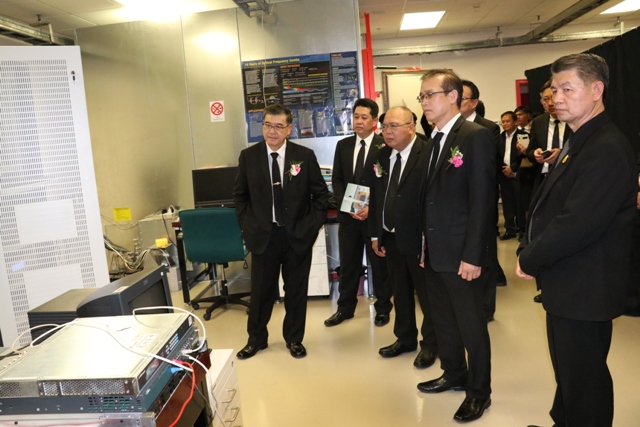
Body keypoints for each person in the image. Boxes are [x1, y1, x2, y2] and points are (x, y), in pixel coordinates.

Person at [517, 53, 637, 427]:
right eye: (554, 90)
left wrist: (529, 258)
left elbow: (577, 223)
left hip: (585, 284)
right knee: (570, 371)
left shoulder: (606, 146)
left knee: (585, 379)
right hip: (569, 280)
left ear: (596, 90)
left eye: (567, 89)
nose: (557, 98)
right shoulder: (581, 138)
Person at [417, 69, 495, 422]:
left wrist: (473, 255)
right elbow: (430, 200)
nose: (424, 102)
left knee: (470, 326)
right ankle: (454, 373)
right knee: (443, 320)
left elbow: (482, 201)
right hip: (435, 251)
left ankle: (479, 391)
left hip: (462, 252)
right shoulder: (433, 139)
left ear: (453, 96)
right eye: (422, 96)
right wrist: (423, 247)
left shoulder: (474, 136)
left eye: (430, 94)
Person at [233, 104, 329, 360]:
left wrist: (311, 226)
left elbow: (321, 196)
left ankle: (294, 339)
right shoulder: (249, 156)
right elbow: (240, 197)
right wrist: (248, 225)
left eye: (278, 126)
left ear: (289, 129)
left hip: (297, 235)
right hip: (263, 236)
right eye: (267, 125)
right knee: (261, 292)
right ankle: (256, 340)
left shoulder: (304, 156)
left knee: (296, 291)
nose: (272, 131)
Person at [369, 106, 438, 368]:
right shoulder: (381, 156)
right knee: (400, 292)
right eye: (385, 126)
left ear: (411, 127)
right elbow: (376, 197)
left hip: (420, 239)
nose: (388, 132)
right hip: (390, 237)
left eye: (394, 126)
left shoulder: (427, 153)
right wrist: (375, 234)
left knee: (427, 295)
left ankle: (431, 344)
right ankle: (405, 337)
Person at [324, 98, 392, 327]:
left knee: (379, 265)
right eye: (355, 117)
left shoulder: (384, 145)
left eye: (364, 117)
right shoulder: (343, 145)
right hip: (349, 218)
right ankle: (345, 308)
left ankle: (383, 308)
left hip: (374, 218)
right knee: (348, 265)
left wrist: (371, 208)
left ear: (374, 121)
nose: (359, 121)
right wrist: (349, 206)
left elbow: (387, 183)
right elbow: (337, 180)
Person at [460, 79, 506, 323]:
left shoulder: (487, 128)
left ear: (474, 102)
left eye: (462, 99)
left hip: (482, 196)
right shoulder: (448, 128)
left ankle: (487, 308)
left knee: (485, 251)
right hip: (458, 203)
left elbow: (492, 166)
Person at [525, 81, 572, 303]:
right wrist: (534, 154)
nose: (550, 103)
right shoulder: (539, 122)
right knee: (542, 234)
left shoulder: (573, 120)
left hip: (566, 184)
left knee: (562, 235)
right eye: (545, 99)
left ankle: (563, 283)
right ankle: (544, 286)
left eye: (552, 97)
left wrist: (561, 153)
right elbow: (529, 149)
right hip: (543, 182)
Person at [497, 111, 527, 241]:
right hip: (504, 174)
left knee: (520, 203)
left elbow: (525, 155)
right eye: (503, 122)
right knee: (507, 203)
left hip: (519, 174)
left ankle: (522, 230)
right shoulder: (500, 137)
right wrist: (505, 169)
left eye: (508, 121)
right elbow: (497, 155)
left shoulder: (523, 136)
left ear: (515, 122)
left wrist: (513, 168)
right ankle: (510, 229)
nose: (505, 124)